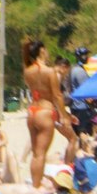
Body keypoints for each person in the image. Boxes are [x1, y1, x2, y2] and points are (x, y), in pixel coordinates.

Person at [22, 40, 65, 183]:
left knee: (35, 154)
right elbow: (57, 95)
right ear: (41, 51)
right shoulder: (49, 71)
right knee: (41, 154)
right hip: (45, 111)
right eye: (45, 50)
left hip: (32, 111)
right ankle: (36, 186)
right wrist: (65, 115)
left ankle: (35, 184)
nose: (47, 53)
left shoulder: (27, 71)